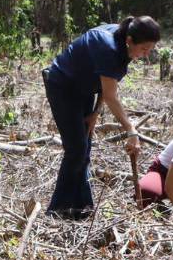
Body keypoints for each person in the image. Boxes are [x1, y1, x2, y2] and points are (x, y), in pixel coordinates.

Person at [43, 16, 161, 219]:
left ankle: (82, 208)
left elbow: (103, 84)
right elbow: (111, 95)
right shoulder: (109, 47)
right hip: (62, 85)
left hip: (85, 88)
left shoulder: (124, 43)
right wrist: (130, 130)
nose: (146, 54)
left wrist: (96, 112)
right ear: (130, 40)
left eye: (150, 49)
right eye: (144, 49)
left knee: (85, 148)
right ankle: (57, 211)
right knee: (76, 150)